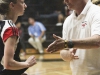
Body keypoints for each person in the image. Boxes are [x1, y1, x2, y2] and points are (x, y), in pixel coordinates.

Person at [47, 0, 100, 75]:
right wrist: (68, 54)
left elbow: (97, 41)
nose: (65, 1)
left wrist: (68, 43)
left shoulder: (97, 12)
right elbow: (63, 51)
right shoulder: (68, 20)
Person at [0, 0, 36, 75]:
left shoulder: (3, 24)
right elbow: (8, 64)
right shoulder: (11, 28)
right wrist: (27, 63)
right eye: (22, 2)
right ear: (12, 5)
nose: (25, 5)